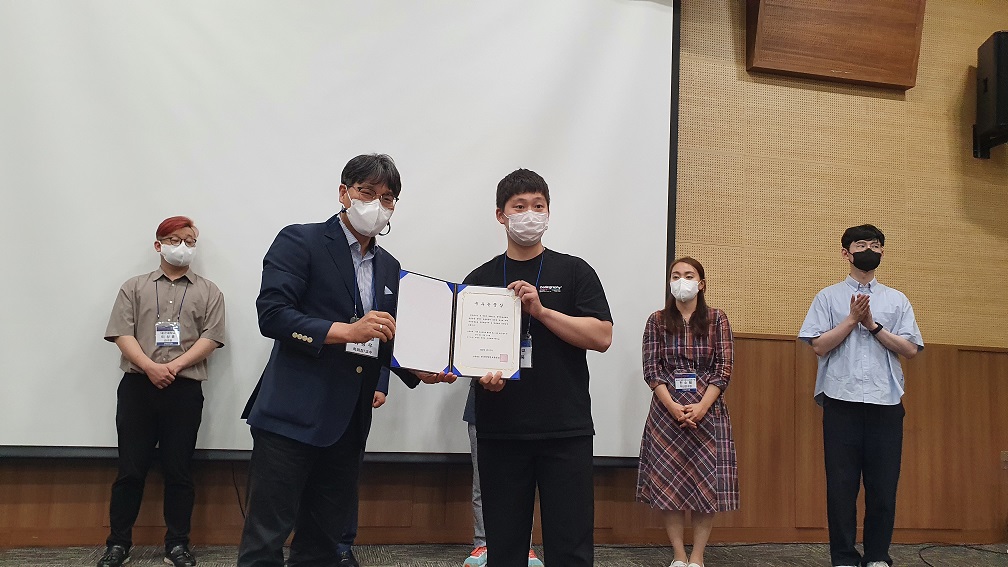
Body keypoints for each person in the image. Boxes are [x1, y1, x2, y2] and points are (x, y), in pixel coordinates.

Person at [237, 153, 455, 567]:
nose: (377, 204)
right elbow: (273, 316)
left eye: (387, 198)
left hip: (348, 424)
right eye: (366, 192)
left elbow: (382, 338)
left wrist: (417, 367)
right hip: (291, 416)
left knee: (322, 543)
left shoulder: (389, 266)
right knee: (266, 539)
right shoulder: (300, 241)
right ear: (344, 192)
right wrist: (344, 331)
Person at [464, 168, 612, 567]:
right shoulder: (480, 279)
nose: (530, 214)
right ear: (501, 215)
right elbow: (467, 355)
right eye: (519, 207)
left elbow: (602, 336)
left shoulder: (574, 271)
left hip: (565, 430)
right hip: (500, 431)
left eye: (538, 206)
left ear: (548, 212)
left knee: (571, 546)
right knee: (504, 548)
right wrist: (481, 377)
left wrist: (542, 312)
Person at [99, 216, 226, 567]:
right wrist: (150, 367)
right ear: (158, 245)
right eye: (174, 240)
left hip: (184, 389)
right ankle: (118, 544)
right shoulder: (134, 287)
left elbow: (212, 338)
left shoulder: (209, 291)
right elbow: (122, 333)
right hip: (138, 387)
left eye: (190, 241)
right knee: (130, 470)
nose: (182, 247)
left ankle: (177, 545)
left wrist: (174, 366)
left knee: (179, 470)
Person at [799, 224, 923, 567]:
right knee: (841, 487)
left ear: (882, 252)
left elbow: (910, 349)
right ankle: (843, 557)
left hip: (886, 403)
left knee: (883, 487)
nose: (869, 250)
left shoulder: (897, 299)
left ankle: (878, 556)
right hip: (841, 402)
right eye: (861, 245)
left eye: (875, 245)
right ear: (846, 253)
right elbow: (819, 345)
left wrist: (873, 326)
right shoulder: (827, 297)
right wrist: (852, 319)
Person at [636, 257, 737, 567]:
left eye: (689, 275)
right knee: (670, 484)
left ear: (701, 284)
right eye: (676, 275)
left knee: (706, 485)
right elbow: (651, 370)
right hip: (667, 412)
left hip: (709, 411)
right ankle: (679, 556)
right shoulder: (656, 320)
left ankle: (697, 557)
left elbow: (724, 368)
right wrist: (673, 407)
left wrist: (702, 406)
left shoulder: (717, 319)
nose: (682, 281)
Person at [462, 390, 542, 567]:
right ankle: (483, 543)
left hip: (525, 412)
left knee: (524, 485)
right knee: (482, 483)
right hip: (483, 409)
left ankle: (525, 546)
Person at [336, 373, 389, 567]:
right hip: (307, 385)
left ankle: (342, 546)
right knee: (303, 470)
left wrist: (379, 383)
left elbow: (382, 351)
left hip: (358, 384)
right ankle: (308, 545)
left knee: (347, 472)